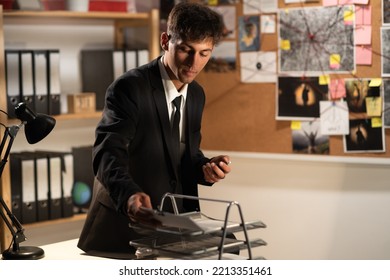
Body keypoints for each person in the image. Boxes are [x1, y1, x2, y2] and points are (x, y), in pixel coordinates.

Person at [77, 2, 232, 257]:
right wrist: (129, 196)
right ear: (165, 40)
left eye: (204, 53)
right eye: (186, 50)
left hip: (174, 228)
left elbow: (184, 155)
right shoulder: (129, 88)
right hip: (124, 230)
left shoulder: (196, 95)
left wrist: (205, 169)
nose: (194, 62)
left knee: (232, 249)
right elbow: (107, 154)